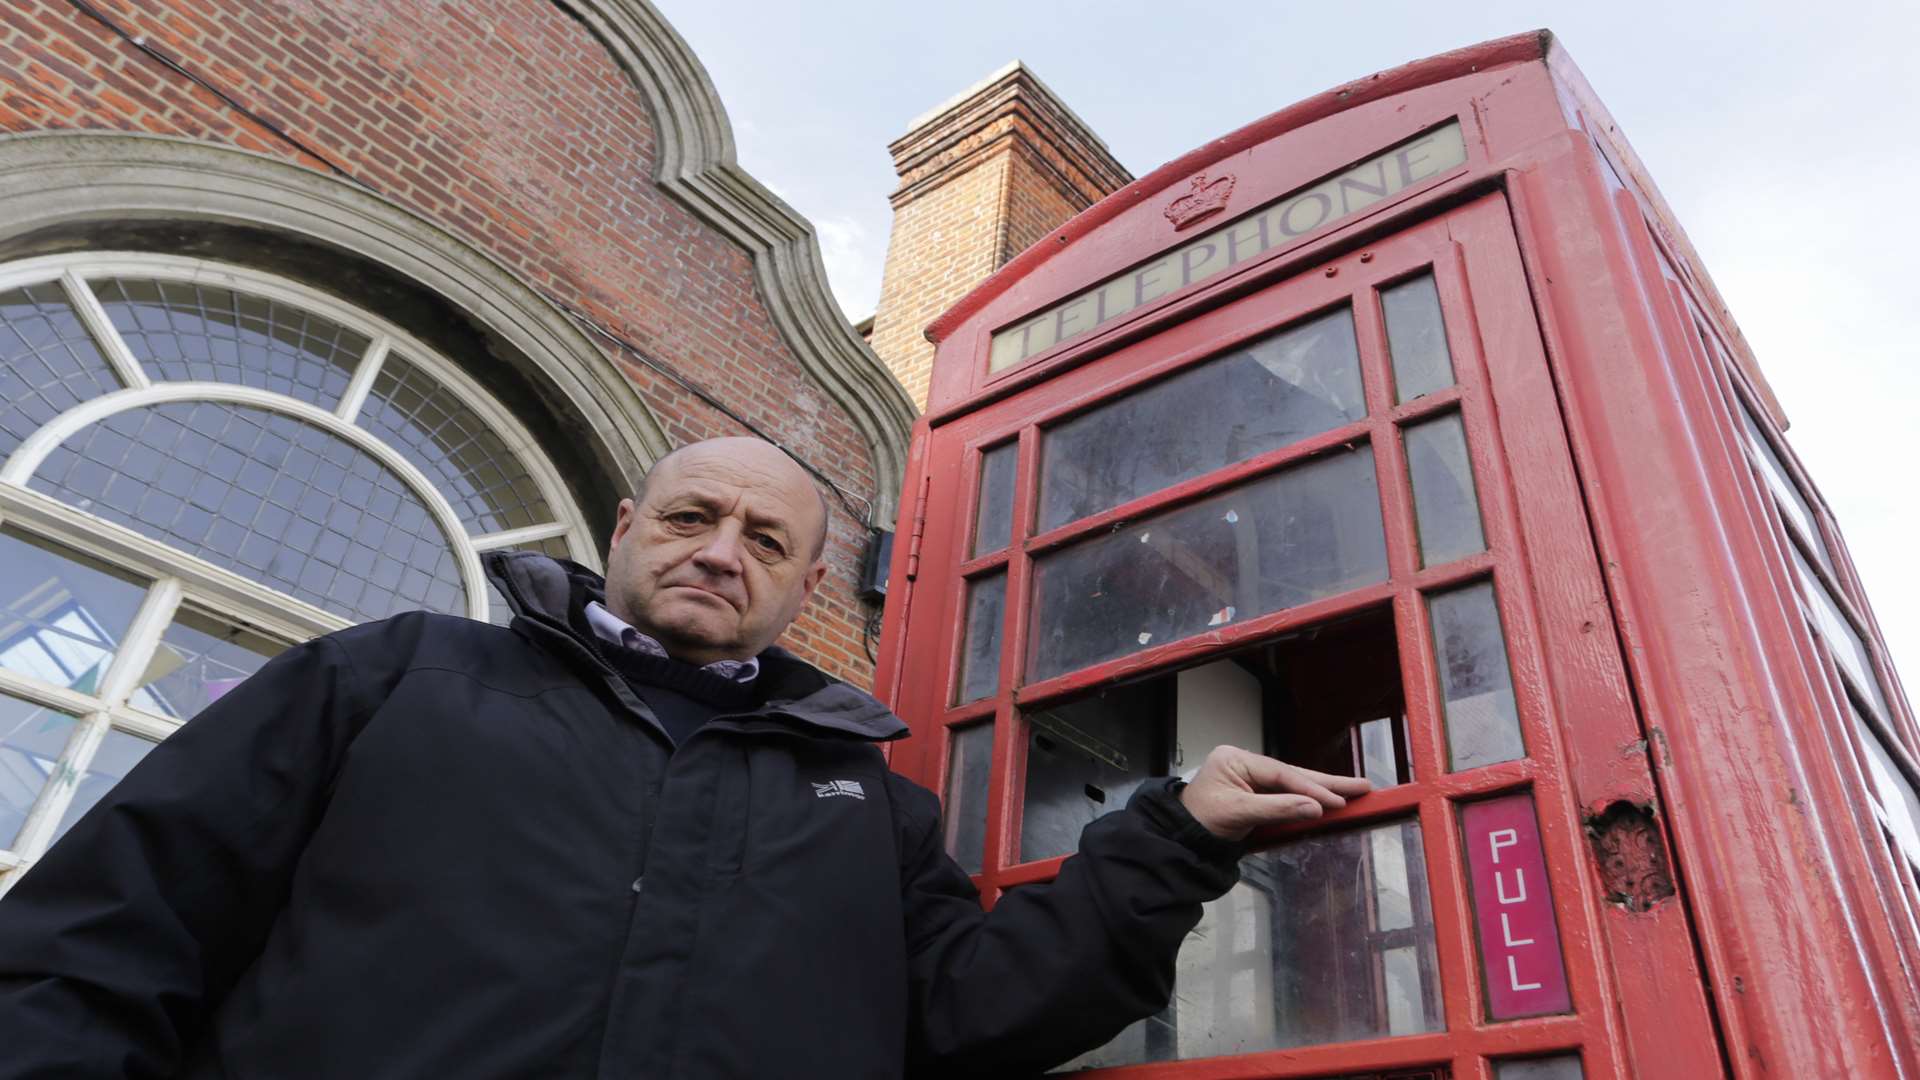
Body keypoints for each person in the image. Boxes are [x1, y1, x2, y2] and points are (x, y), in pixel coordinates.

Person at [0, 436, 1370, 1078]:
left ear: (801, 589)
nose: (723, 549)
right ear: (625, 524)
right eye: (694, 516)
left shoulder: (862, 804)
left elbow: (975, 1016)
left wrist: (1175, 833)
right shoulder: (391, 677)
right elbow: (98, 944)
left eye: (766, 541)